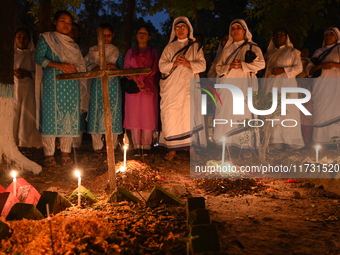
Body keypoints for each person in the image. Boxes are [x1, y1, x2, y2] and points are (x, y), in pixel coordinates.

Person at [35, 10, 87, 167]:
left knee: (69, 117)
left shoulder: (73, 45)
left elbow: (80, 66)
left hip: (71, 85)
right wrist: (59, 65)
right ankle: (49, 154)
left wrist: (75, 69)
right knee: (51, 116)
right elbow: (38, 58)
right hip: (53, 83)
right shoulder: (46, 38)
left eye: (69, 22)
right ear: (55, 22)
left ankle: (65, 152)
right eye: (63, 21)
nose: (67, 24)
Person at [214, 19, 265, 158]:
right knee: (227, 113)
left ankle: (246, 146)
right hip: (227, 86)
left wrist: (243, 65)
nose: (235, 30)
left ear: (244, 30)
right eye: (233, 28)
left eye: (238, 28)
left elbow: (261, 64)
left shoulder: (253, 47)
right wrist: (229, 66)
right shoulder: (227, 49)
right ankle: (228, 145)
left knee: (244, 113)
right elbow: (218, 68)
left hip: (245, 84)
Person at [158, 16, 207, 161]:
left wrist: (187, 63)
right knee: (171, 116)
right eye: (177, 27)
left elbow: (202, 65)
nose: (180, 30)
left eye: (183, 27)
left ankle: (192, 150)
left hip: (188, 87)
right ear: (174, 30)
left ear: (189, 29)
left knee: (188, 116)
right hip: (171, 89)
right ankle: (172, 150)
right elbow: (161, 66)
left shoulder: (195, 47)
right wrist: (173, 64)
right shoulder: (169, 47)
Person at [262, 28, 304, 150]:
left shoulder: (293, 51)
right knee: (273, 113)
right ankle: (275, 141)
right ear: (273, 38)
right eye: (276, 34)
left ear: (286, 37)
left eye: (282, 34)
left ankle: (289, 141)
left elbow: (299, 68)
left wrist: (283, 70)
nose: (279, 36)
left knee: (288, 112)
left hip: (287, 86)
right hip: (270, 85)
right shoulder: (269, 54)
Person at [86, 23, 124, 156]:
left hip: (113, 85)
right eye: (103, 36)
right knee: (96, 112)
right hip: (97, 85)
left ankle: (111, 147)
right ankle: (97, 146)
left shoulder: (117, 51)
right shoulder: (92, 51)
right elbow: (85, 66)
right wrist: (95, 68)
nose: (106, 38)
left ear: (112, 36)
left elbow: (123, 71)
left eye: (108, 35)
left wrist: (114, 68)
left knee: (113, 113)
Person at [123, 26, 159, 156]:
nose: (142, 35)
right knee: (134, 115)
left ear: (149, 37)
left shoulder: (154, 52)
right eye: (139, 32)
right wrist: (137, 80)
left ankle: (146, 146)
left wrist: (142, 81)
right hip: (133, 87)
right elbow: (126, 69)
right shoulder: (130, 53)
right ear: (136, 36)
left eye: (145, 33)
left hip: (148, 87)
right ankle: (136, 146)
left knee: (147, 115)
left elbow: (154, 69)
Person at [306, 27, 340, 144]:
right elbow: (309, 71)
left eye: (331, 34)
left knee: (335, 111)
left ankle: (335, 141)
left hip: (336, 86)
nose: (328, 36)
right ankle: (320, 140)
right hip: (320, 85)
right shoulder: (318, 51)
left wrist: (333, 64)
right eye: (326, 34)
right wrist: (320, 67)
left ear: (337, 37)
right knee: (320, 110)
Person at [13, 28, 42, 149]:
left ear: (29, 40)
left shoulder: (33, 56)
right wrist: (14, 72)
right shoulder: (10, 55)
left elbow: (40, 74)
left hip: (29, 90)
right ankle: (12, 141)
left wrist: (29, 74)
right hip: (14, 89)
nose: (21, 39)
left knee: (27, 115)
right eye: (19, 36)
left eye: (25, 37)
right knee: (14, 114)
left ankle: (26, 143)